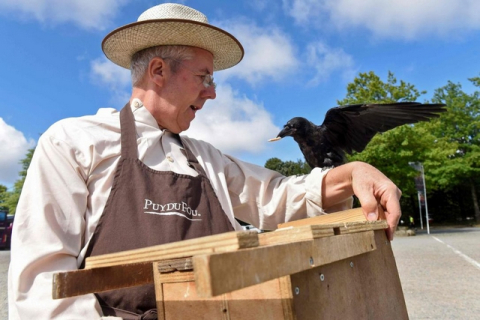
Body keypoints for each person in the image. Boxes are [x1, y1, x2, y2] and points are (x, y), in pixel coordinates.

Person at [8, 3, 402, 319]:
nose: (212, 93)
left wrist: (352, 174)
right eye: (205, 77)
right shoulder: (73, 142)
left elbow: (280, 196)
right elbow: (43, 289)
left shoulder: (205, 159)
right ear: (159, 71)